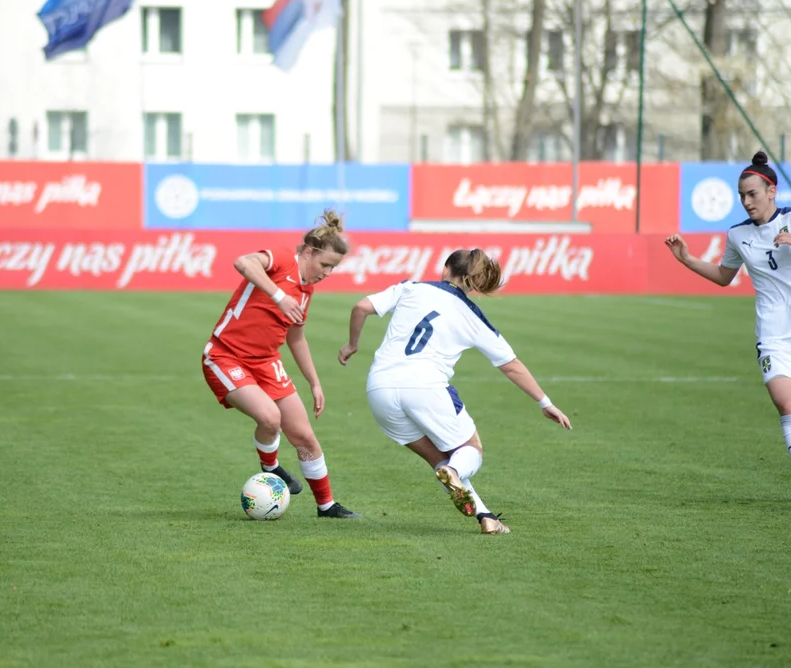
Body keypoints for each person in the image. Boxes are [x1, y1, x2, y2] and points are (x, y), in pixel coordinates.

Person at [337, 248, 572, 534]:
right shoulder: (472, 315)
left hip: (379, 389)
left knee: (441, 460)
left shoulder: (411, 288)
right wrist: (544, 402)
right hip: (425, 386)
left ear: (445, 268)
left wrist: (352, 345)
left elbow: (360, 307)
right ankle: (456, 473)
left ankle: (486, 518)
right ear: (473, 282)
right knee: (469, 450)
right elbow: (510, 365)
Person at [665, 151, 791, 510]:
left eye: (752, 194)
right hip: (774, 336)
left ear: (771, 190)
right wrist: (688, 260)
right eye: (741, 195)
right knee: (789, 406)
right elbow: (725, 277)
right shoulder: (738, 235)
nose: (746, 201)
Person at [202, 209, 361, 519]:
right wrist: (277, 295)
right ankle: (271, 468)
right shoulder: (282, 259)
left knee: (305, 437)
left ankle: (326, 506)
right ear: (310, 252)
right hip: (225, 355)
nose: (327, 272)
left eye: (334, 268)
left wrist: (314, 383)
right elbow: (243, 263)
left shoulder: (306, 291)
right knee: (270, 418)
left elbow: (296, 339)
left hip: (266, 362)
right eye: (325, 264)